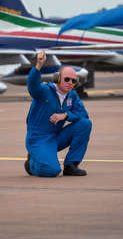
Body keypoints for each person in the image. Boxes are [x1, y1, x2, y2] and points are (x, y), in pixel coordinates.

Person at [24, 49, 92, 177]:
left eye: (74, 81)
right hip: (38, 139)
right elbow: (32, 85)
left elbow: (83, 114)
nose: (70, 83)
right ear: (57, 78)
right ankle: (31, 164)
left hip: (56, 137)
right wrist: (38, 65)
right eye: (67, 79)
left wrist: (66, 115)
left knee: (85, 124)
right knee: (52, 171)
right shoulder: (44, 91)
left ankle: (71, 165)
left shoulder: (72, 95)